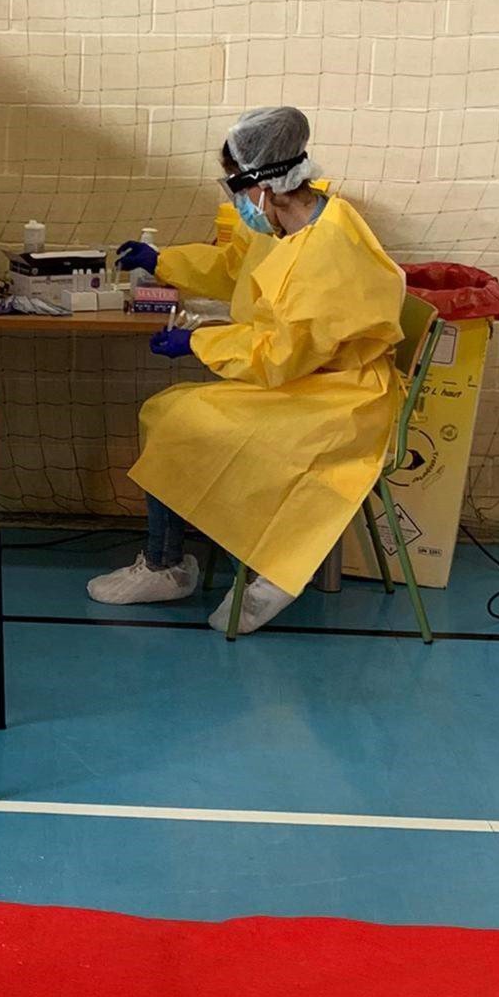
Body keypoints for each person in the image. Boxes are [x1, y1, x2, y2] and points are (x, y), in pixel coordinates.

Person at [88, 106, 404, 635]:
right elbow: (235, 269)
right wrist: (162, 260)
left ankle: (264, 568)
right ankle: (171, 565)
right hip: (308, 381)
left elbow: (279, 355)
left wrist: (198, 342)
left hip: (342, 398)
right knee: (168, 412)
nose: (235, 199)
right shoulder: (286, 223)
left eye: (235, 184)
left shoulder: (328, 250)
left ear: (265, 183)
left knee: (182, 419)